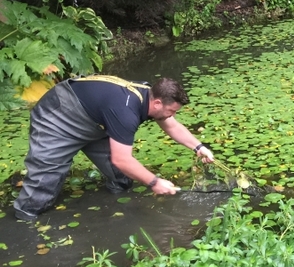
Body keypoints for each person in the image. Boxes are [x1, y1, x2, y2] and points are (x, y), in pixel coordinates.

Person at [13, 75, 214, 222]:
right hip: (59, 115)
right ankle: (24, 219)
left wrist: (199, 146)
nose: (172, 115)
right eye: (171, 111)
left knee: (122, 178)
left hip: (95, 121)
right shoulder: (126, 112)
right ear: (158, 102)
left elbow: (172, 125)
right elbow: (122, 159)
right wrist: (154, 182)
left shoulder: (147, 95)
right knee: (45, 180)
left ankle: (117, 206)